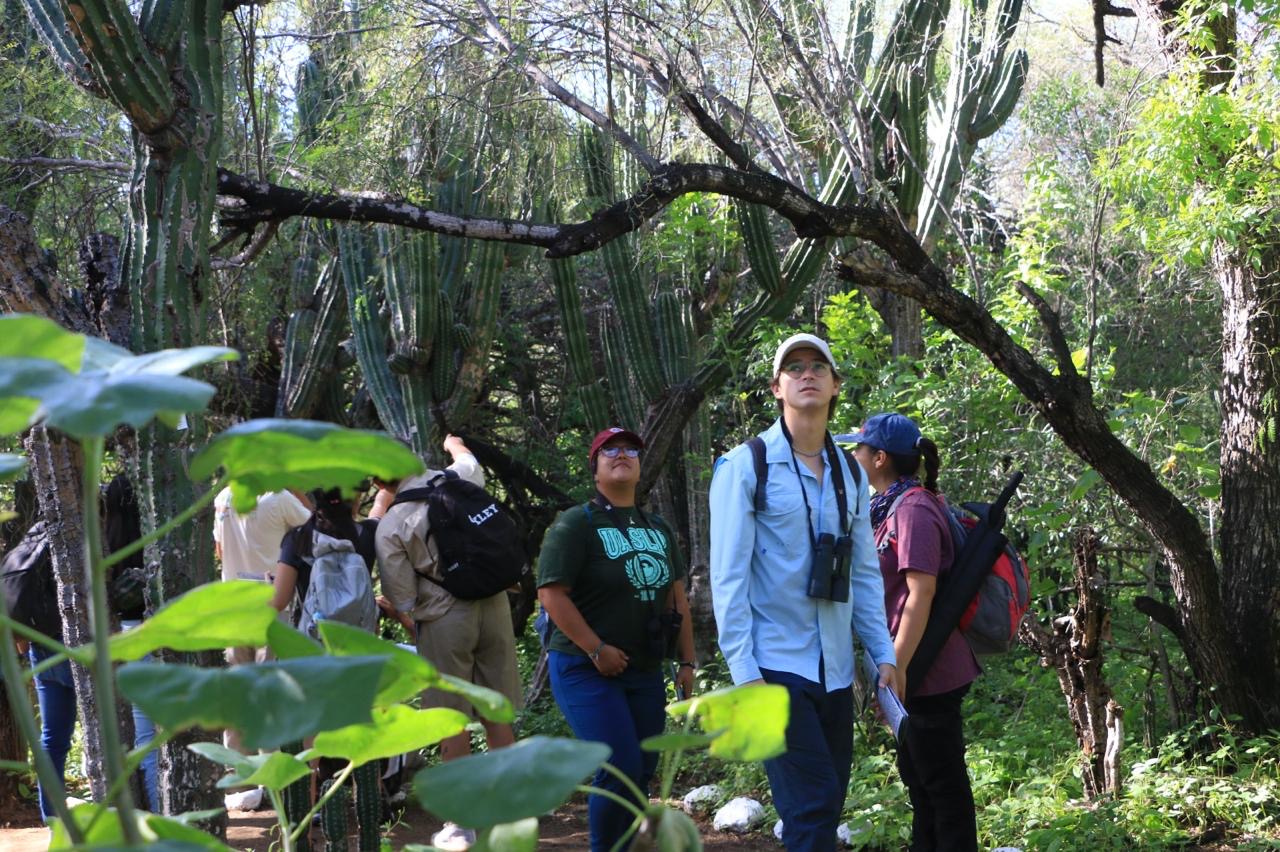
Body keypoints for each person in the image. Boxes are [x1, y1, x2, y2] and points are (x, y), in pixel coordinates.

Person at [709, 333, 897, 852]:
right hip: (773, 667)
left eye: (818, 366)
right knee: (812, 805)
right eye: (794, 367)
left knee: (828, 798)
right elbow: (728, 578)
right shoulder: (745, 465)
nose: (806, 373)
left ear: (836, 385)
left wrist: (883, 653)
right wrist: (744, 673)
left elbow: (863, 571)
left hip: (835, 668)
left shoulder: (850, 473)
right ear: (776, 387)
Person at [538, 427, 695, 852]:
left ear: (641, 467)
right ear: (596, 468)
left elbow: (675, 596)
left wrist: (687, 661)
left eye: (630, 450)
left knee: (642, 766)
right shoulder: (576, 524)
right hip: (583, 667)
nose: (622, 455)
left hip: (643, 668)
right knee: (618, 762)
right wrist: (596, 648)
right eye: (610, 450)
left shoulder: (657, 527)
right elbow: (551, 594)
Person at [375, 434, 521, 852]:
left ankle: (461, 822)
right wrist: (453, 442)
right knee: (496, 709)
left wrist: (406, 618)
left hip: (443, 618)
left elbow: (402, 597)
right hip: (494, 605)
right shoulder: (455, 479)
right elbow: (470, 462)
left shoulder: (392, 523)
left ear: (378, 481)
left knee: (449, 718)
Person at [850, 413, 979, 852]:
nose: (855, 455)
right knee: (921, 787)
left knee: (943, 790)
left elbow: (920, 593)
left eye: (861, 448)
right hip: (905, 670)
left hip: (928, 670)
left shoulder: (915, 509)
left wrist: (897, 665)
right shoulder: (885, 507)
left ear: (880, 458)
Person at [213, 486, 312, 809]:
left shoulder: (224, 497)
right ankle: (272, 782)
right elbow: (313, 527)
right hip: (272, 604)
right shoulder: (280, 498)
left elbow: (219, 550)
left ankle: (240, 781)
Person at [270, 484, 394, 623]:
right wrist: (383, 496)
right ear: (357, 499)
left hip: (312, 638)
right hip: (358, 638)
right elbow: (378, 513)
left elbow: (278, 602)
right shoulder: (370, 533)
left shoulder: (298, 538)